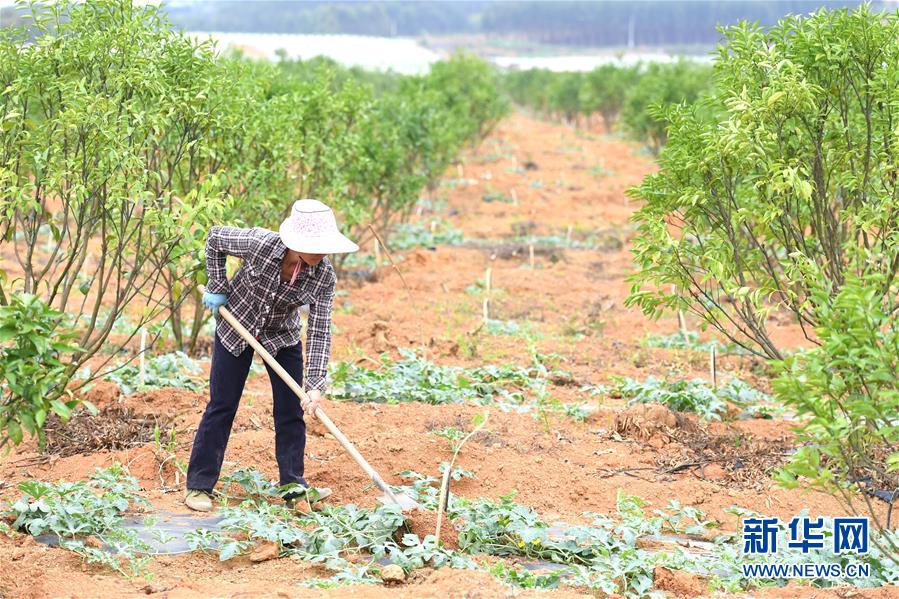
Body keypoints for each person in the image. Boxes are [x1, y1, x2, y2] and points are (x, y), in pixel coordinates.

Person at [184, 199, 359, 512]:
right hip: (236, 326)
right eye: (315, 246)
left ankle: (293, 487)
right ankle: (199, 484)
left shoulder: (324, 278)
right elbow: (215, 239)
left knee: (291, 411)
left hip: (282, 336)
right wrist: (218, 284)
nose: (322, 254)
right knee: (222, 405)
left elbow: (319, 331)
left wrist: (315, 386)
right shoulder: (260, 244)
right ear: (296, 242)